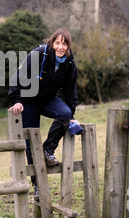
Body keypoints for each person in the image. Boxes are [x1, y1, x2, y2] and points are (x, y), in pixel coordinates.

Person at [8, 28, 79, 201]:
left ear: (68, 45)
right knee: (31, 144)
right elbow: (19, 75)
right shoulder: (39, 54)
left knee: (64, 113)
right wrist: (16, 100)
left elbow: (71, 90)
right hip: (28, 101)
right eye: (58, 42)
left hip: (48, 100)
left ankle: (48, 150)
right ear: (52, 42)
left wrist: (71, 114)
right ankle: (38, 187)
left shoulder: (69, 63)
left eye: (64, 43)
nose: (61, 47)